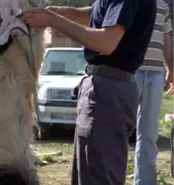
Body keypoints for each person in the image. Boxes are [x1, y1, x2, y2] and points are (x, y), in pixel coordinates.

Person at [22, 0, 156, 185]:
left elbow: (106, 42)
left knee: (98, 175)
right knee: (90, 172)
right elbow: (99, 12)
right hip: (110, 87)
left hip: (108, 88)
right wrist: (63, 13)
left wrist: (55, 20)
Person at [133, 0, 173, 184]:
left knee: (149, 132)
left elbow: (165, 38)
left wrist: (170, 69)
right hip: (130, 70)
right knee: (117, 128)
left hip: (156, 74)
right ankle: (109, 177)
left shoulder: (163, 6)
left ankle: (145, 181)